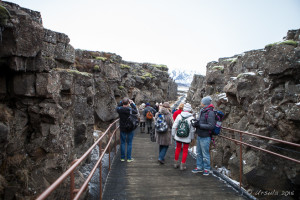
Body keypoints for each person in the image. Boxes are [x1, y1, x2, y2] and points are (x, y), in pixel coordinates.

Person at [192, 96, 215, 175]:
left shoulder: (210, 112)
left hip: (205, 136)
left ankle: (206, 169)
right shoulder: (202, 110)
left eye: (202, 102)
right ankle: (199, 167)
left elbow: (211, 126)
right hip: (200, 134)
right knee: (198, 152)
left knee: (205, 154)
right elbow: (200, 121)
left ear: (204, 103)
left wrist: (200, 125)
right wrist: (196, 123)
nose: (200, 103)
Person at [172, 103, 195, 170]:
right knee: (185, 150)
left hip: (178, 136)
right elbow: (192, 130)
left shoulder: (179, 116)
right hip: (187, 137)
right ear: (190, 109)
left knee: (178, 148)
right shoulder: (191, 118)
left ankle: (175, 163)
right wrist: (192, 138)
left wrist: (173, 135)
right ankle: (182, 165)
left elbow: (174, 126)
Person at [116, 97, 138, 162]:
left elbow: (117, 106)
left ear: (123, 102)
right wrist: (131, 103)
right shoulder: (130, 110)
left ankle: (122, 158)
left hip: (122, 128)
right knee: (129, 143)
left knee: (122, 143)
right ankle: (129, 158)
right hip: (130, 128)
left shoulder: (119, 109)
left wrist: (121, 102)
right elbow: (136, 111)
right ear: (128, 103)